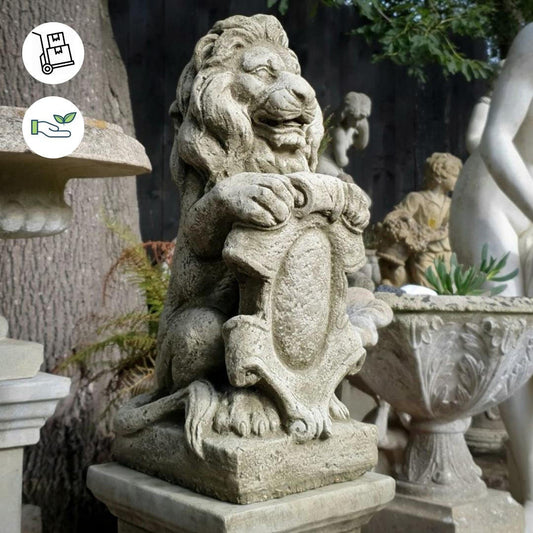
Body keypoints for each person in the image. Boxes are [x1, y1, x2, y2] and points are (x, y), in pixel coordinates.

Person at [450, 23, 533, 528]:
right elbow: (495, 140)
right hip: (490, 209)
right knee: (513, 353)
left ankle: (524, 485)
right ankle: (531, 496)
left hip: (526, 214)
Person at [377, 152, 462, 287]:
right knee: (429, 281)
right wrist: (408, 228)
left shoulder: (450, 203)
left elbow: (450, 227)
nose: (458, 181)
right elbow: (398, 216)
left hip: (444, 250)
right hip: (423, 250)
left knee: (449, 283)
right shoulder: (417, 198)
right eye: (455, 176)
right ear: (440, 176)